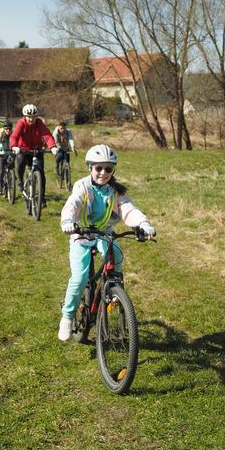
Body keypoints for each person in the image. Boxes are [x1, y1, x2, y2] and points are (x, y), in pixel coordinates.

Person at [57, 144, 156, 341]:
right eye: (98, 168)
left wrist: (143, 224)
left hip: (103, 234)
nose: (103, 173)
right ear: (90, 168)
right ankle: (67, 317)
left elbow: (128, 209)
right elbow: (73, 203)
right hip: (81, 235)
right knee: (79, 278)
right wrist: (68, 221)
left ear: (113, 170)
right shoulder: (82, 186)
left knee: (116, 254)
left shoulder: (114, 190)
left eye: (108, 169)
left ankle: (113, 288)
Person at [10, 104, 57, 206]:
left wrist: (52, 147)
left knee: (40, 172)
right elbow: (14, 136)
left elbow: (47, 135)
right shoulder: (21, 123)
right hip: (23, 149)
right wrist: (14, 146)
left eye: (33, 117)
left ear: (36, 116)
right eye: (29, 117)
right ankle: (21, 183)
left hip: (36, 150)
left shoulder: (39, 123)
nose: (31, 119)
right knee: (21, 164)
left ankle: (42, 197)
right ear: (25, 116)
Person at [0, 119, 13, 195]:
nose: (8, 130)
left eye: (9, 128)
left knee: (11, 170)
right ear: (4, 129)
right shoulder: (0, 134)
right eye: (6, 128)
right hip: (1, 154)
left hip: (10, 154)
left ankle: (12, 181)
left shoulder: (13, 134)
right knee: (1, 171)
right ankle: (0, 188)